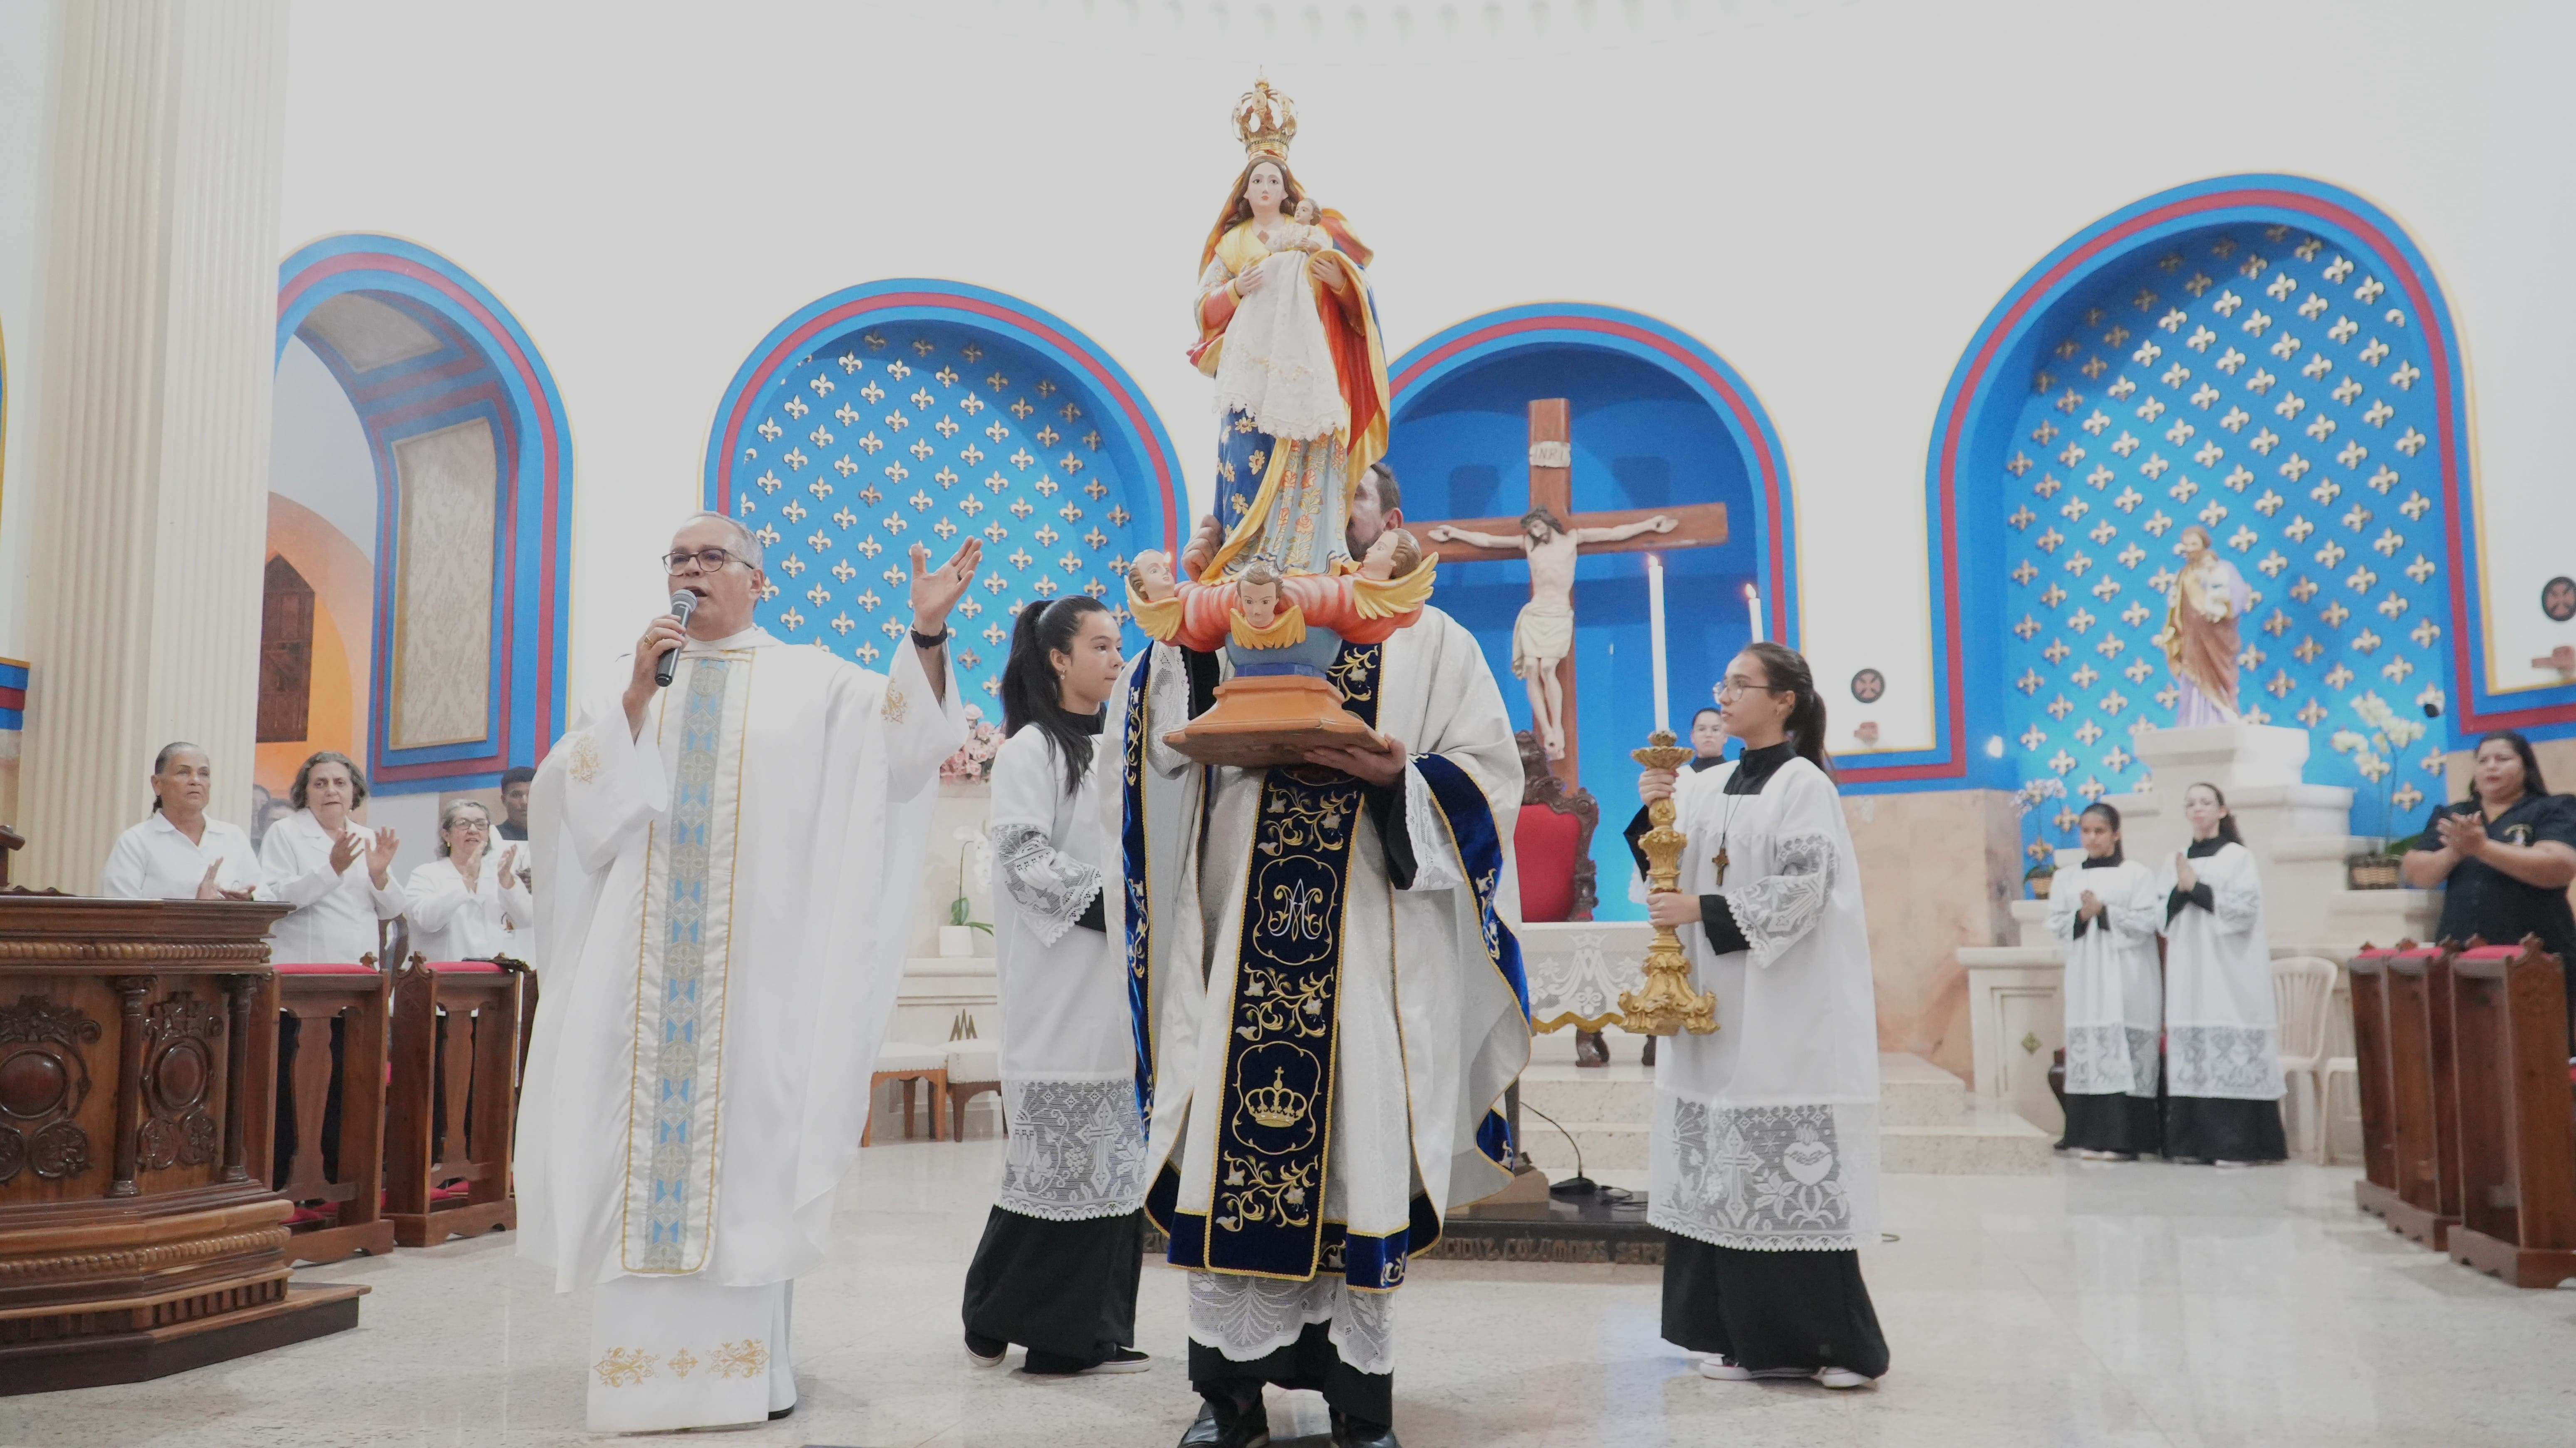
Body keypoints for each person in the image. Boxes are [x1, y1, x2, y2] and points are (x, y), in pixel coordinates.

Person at [514, 511, 975, 1434]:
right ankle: (639, 1380)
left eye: (712, 556)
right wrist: (636, 702)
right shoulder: (634, 686)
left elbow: (907, 747)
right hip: (637, 983)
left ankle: (744, 1372)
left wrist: (924, 634)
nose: (692, 570)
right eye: (678, 557)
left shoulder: (815, 683)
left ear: (759, 580)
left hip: (760, 982)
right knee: (630, 1155)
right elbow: (578, 810)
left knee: (750, 1169)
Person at [1138, 489, 1528, 1448]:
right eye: (1284, 476)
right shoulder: (1222, 623)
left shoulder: (1429, 638)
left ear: (1381, 510)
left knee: (1359, 1150)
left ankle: (1360, 1405)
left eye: (1345, 486)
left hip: (1370, 950)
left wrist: (1405, 779)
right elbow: (1155, 761)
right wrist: (1184, 640)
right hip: (1242, 945)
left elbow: (1488, 772)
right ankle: (1226, 1399)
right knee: (1235, 1157)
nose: (1316, 501)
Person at [1628, 641, 1888, 1390]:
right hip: (1720, 1009)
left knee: (1783, 1173)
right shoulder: (1708, 785)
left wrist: (1701, 909)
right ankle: (1744, 1341)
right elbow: (1663, 858)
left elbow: (1806, 890)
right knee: (1719, 1175)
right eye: (1724, 682)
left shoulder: (1804, 785)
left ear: (1785, 701)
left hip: (1783, 1007)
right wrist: (1655, 805)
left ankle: (1838, 1348)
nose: (1727, 694)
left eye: (1741, 684)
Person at [959, 595, 1154, 1377]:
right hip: (1060, 976)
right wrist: (1123, 905)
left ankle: (1091, 1324)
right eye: (1102, 646)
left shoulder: (1120, 743)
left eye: (1119, 645)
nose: (1116, 659)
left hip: (1119, 985)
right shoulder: (1031, 749)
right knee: (1055, 1162)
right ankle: (1034, 1324)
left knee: (1111, 1166)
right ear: (1057, 659)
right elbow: (1022, 858)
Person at [1424, 507, 1677, 760]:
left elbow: (1614, 534)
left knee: (1548, 668)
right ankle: (1547, 732)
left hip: (1558, 613)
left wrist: (1649, 525)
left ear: (1548, 523)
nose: (1535, 532)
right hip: (1536, 612)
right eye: (1531, 529)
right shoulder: (1529, 545)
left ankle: (1558, 727)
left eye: (1537, 526)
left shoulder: (1572, 540)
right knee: (1532, 669)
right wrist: (1456, 533)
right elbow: (1490, 541)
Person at [2402, 730, 2576, 1042]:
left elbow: (2559, 868)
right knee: (2470, 1055)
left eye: (2503, 759)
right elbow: (2418, 873)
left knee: (2541, 1051)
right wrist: (2457, 849)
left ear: (2526, 767)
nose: (2491, 767)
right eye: (2483, 761)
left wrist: (2482, 848)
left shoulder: (2553, 808)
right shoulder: (2453, 816)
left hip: (2538, 958)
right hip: (2461, 959)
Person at [2157, 783, 2287, 1165]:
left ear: (2222, 811)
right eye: (2191, 803)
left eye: (2206, 803)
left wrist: (2195, 887)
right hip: (2189, 967)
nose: (2198, 809)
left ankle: (2237, 1145)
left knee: (2230, 1044)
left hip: (2230, 968)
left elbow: (2244, 911)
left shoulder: (2238, 857)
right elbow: (2158, 916)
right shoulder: (2175, 860)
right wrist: (2180, 891)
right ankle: (2192, 1144)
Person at [2048, 802, 2162, 1160]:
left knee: (2126, 1050)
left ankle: (2126, 1141)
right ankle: (2087, 1136)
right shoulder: (2066, 878)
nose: (2092, 838)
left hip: (2128, 975)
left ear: (2117, 833)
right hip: (2087, 975)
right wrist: (2081, 916)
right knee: (2092, 1050)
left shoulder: (2136, 874)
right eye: (2086, 831)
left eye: (2099, 831)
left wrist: (2105, 912)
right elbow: (2055, 925)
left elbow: (2147, 923)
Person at [260, 751, 405, 965]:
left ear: (353, 791)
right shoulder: (285, 831)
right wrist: (333, 869)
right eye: (320, 784)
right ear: (306, 794)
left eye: (340, 783)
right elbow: (273, 900)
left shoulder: (367, 837)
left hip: (361, 967)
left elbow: (393, 910)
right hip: (303, 969)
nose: (331, 791)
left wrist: (380, 876)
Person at [97, 741, 265, 900]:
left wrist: (249, 899)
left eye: (204, 774)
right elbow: (121, 915)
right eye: (183, 772)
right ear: (157, 784)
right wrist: (196, 907)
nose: (196, 781)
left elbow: (266, 897)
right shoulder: (136, 842)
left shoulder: (233, 836)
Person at [404, 800, 533, 963]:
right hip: (441, 978)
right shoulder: (426, 874)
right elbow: (425, 921)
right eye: (463, 824)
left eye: (481, 825)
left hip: (496, 979)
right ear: (446, 835)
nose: (473, 830)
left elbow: (526, 920)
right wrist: (466, 881)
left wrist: (508, 884)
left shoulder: (500, 875)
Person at [2154, 524, 2252, 725]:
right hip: (2191, 635)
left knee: (2218, 674)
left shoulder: (2221, 568)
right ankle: (2194, 719)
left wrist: (2220, 607)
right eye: (2186, 545)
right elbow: (2177, 607)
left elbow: (2238, 596)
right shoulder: (2184, 575)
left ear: (2204, 544)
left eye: (2194, 544)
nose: (2190, 548)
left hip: (2215, 636)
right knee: (2193, 673)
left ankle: (2223, 712)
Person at [497, 764, 536, 841]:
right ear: (504, 800)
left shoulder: (556, 838)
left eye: (531, 794)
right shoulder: (492, 837)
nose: (525, 802)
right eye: (517, 795)